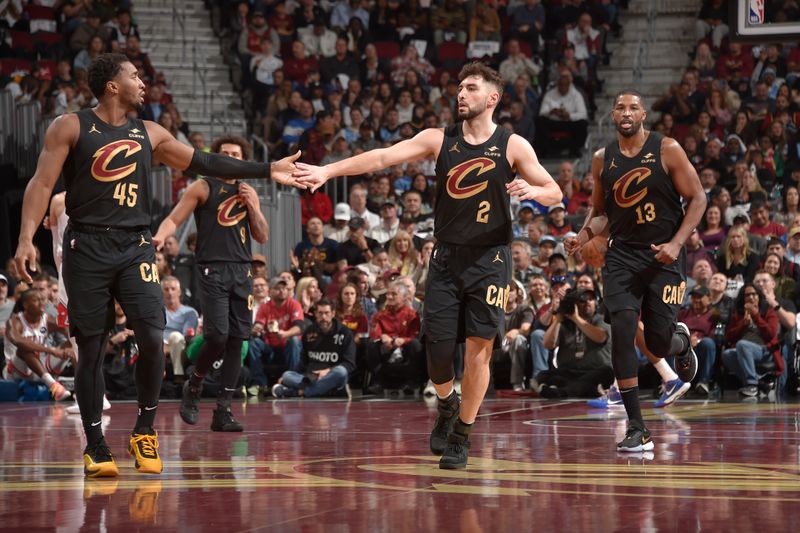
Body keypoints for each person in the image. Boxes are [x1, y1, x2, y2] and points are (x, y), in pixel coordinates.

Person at [13, 53, 300, 478]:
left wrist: (266, 168)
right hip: (86, 246)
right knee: (90, 347)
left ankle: (144, 430)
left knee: (152, 336)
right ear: (112, 84)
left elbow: (204, 161)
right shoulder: (70, 126)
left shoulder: (150, 132)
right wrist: (25, 238)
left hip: (135, 246)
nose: (142, 82)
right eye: (134, 75)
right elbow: (40, 183)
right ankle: (95, 445)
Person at [295, 62, 561, 469]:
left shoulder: (512, 145)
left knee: (479, 352)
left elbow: (555, 191)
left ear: (492, 98)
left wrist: (535, 190)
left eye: (470, 87)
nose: (460, 93)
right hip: (446, 257)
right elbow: (384, 156)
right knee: (436, 353)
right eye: (459, 86)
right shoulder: (439, 139)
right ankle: (447, 402)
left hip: (491, 259)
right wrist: (328, 170)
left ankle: (462, 434)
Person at [565, 90, 706, 452]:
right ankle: (637, 427)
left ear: (643, 114)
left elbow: (698, 198)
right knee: (624, 330)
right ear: (612, 115)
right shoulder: (601, 160)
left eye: (633, 107)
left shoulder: (667, 148)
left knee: (658, 342)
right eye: (619, 107)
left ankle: (679, 341)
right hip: (623, 256)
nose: (626, 112)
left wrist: (676, 243)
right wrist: (581, 237)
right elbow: (599, 213)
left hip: (664, 256)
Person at [154, 134, 269, 433]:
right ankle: (194, 384)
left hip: (242, 271)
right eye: (225, 153)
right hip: (212, 269)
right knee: (217, 335)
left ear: (244, 160)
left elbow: (263, 235)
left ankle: (224, 410)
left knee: (237, 341)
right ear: (214, 158)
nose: (231, 157)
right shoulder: (203, 186)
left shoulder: (248, 190)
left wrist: (253, 206)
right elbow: (174, 218)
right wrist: (159, 236)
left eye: (236, 154)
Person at [272, 299, 355, 398]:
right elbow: (304, 362)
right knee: (287, 375)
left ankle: (297, 392)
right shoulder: (309, 331)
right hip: (310, 377)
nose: (323, 317)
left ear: (333, 313)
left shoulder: (345, 333)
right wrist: (286, 377)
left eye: (326, 313)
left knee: (341, 372)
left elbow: (350, 364)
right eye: (320, 313)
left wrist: (327, 371)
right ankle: (330, 391)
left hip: (331, 376)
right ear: (315, 314)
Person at [3, 289, 75, 399]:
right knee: (25, 348)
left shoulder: (48, 320)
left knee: (73, 343)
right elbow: (19, 341)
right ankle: (53, 385)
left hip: (39, 367)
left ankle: (83, 388)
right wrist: (51, 350)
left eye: (43, 299)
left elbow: (71, 333)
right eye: (36, 300)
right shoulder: (14, 321)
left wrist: (70, 348)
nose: (42, 303)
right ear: (25, 305)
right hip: (16, 370)